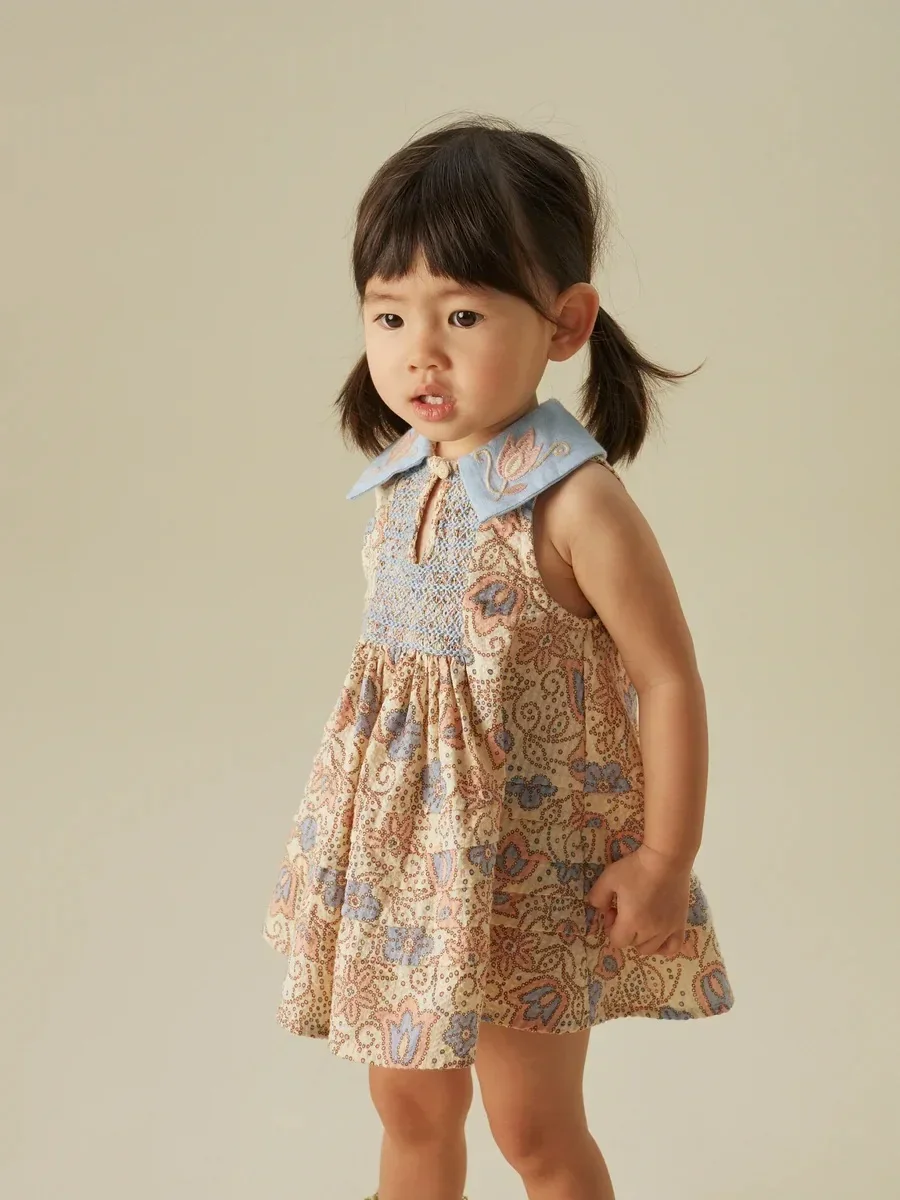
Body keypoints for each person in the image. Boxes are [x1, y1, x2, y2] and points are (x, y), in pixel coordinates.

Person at [262, 114, 734, 1200]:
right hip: (406, 862)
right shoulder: (402, 478)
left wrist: (665, 859)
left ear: (566, 323)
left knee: (534, 1126)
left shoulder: (577, 503)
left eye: (463, 314)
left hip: (529, 871)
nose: (419, 352)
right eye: (390, 315)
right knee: (408, 1106)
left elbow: (667, 676)